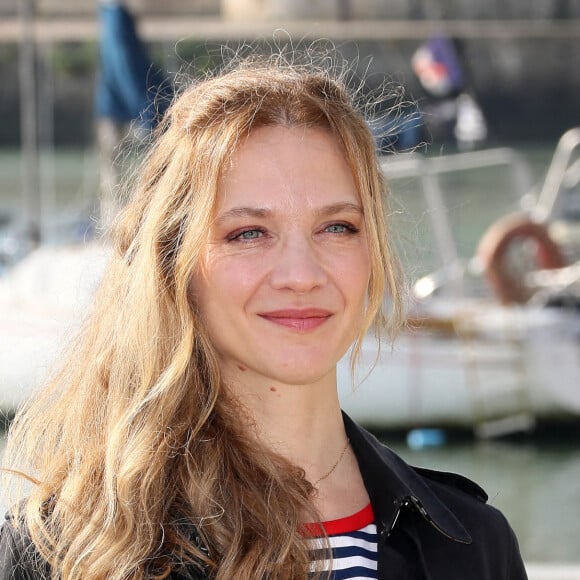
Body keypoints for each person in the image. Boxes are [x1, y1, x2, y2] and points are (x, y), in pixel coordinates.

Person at [0, 54, 527, 579]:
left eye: (338, 227)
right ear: (172, 266)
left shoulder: (474, 545)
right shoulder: (64, 548)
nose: (301, 274)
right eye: (248, 233)